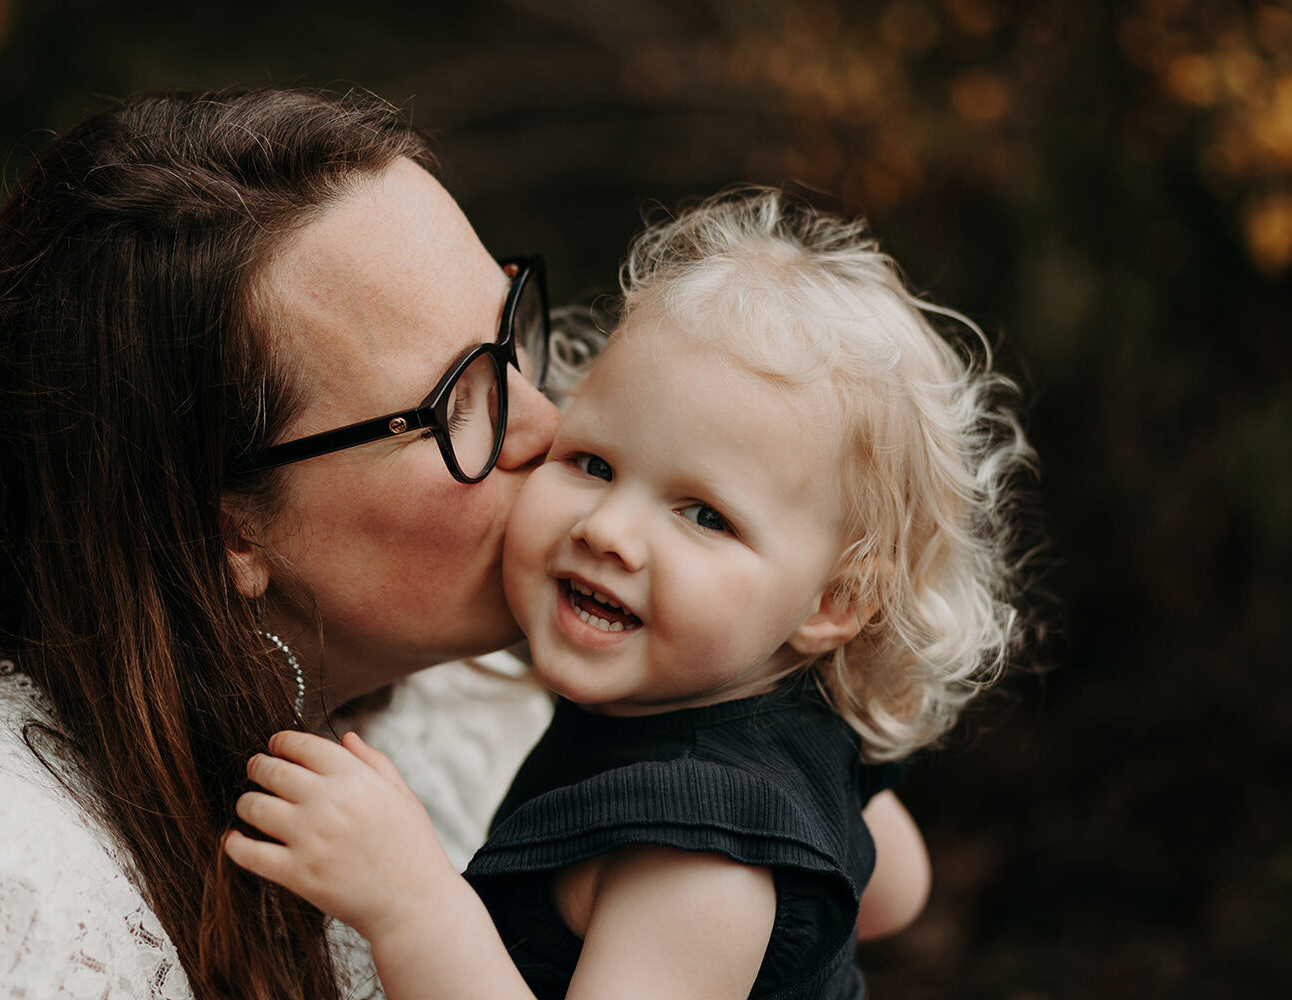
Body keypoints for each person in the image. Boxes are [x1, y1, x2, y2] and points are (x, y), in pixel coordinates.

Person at [223, 187, 1035, 998]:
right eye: (595, 464)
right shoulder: (781, 712)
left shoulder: (691, 861)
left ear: (830, 604)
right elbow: (895, 890)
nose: (609, 530)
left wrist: (411, 907)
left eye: (703, 515)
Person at [0, 88, 566, 1000]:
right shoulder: (15, 892)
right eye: (457, 403)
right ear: (230, 530)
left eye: (510, 340)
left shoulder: (475, 718)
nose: (548, 424)